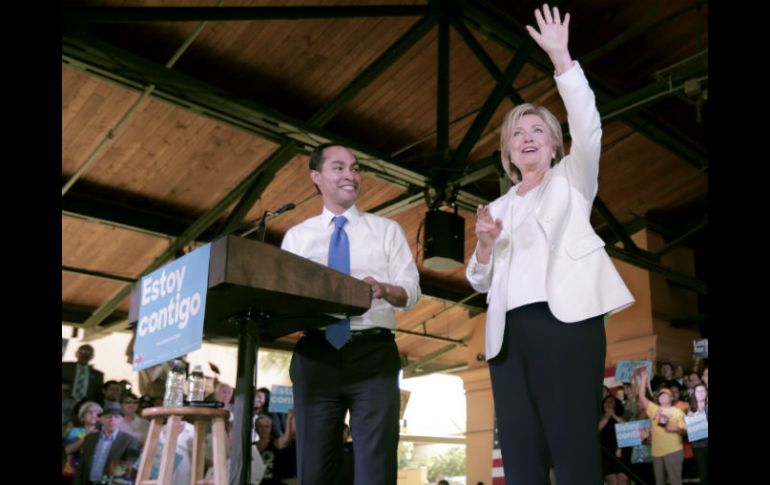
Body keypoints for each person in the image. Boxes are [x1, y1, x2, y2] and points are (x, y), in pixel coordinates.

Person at [464, 5, 634, 484]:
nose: (527, 137)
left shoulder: (572, 181)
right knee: (519, 449)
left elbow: (589, 126)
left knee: (572, 441)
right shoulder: (494, 209)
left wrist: (561, 59)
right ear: (508, 152)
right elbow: (478, 280)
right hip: (506, 338)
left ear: (556, 145)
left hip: (566, 325)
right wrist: (482, 245)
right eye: (517, 133)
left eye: (537, 129)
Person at [281, 142, 421, 485]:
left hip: (372, 355)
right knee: (314, 470)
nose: (351, 175)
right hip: (316, 355)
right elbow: (282, 298)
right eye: (339, 167)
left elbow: (411, 292)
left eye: (355, 168)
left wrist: (385, 289)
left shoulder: (387, 231)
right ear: (316, 177)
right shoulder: (297, 237)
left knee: (376, 468)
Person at [74, 405, 141, 485]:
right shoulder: (90, 439)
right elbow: (82, 465)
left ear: (121, 420)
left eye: (116, 417)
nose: (112, 420)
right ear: (101, 420)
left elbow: (127, 471)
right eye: (108, 417)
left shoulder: (129, 441)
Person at [687, 382, 708, 485]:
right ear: (694, 394)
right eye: (697, 391)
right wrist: (690, 418)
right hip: (697, 446)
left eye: (703, 391)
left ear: (706, 392)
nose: (700, 393)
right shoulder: (690, 408)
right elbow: (688, 428)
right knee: (703, 473)